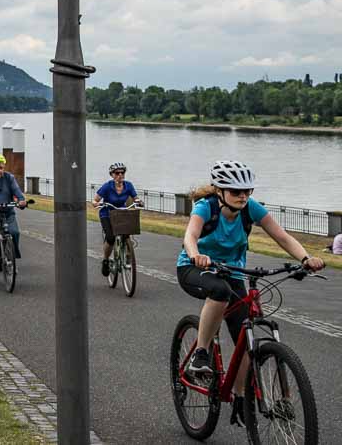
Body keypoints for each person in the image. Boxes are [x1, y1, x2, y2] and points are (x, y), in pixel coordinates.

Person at [177, 160, 325, 422]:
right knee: (220, 291)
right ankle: (200, 355)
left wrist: (305, 258)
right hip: (195, 268)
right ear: (220, 191)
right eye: (236, 191)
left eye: (248, 191)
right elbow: (190, 235)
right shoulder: (206, 207)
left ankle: (240, 397)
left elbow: (282, 236)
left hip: (232, 272)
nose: (243, 196)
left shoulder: (250, 209)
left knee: (245, 335)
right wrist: (196, 254)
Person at [93, 162, 141, 277]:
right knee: (110, 238)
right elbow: (95, 200)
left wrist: (138, 201)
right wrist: (96, 203)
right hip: (107, 213)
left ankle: (128, 256)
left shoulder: (128, 185)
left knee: (127, 234)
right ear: (112, 174)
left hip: (121, 212)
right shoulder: (107, 186)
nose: (120, 175)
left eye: (122, 172)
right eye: (117, 173)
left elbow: (135, 198)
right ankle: (105, 260)